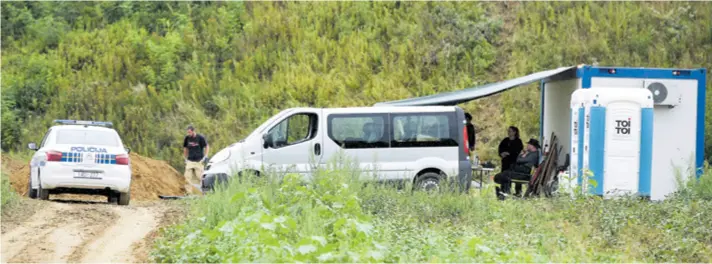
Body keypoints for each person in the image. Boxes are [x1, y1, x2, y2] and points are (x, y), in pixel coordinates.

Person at [183, 125, 209, 195]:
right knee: (187, 177)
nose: (188, 134)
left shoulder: (200, 138)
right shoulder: (187, 138)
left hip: (199, 160)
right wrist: (185, 158)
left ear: (193, 131)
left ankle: (203, 192)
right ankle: (189, 193)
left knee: (200, 178)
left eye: (189, 132)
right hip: (190, 160)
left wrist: (205, 156)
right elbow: (185, 148)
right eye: (187, 132)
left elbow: (207, 146)